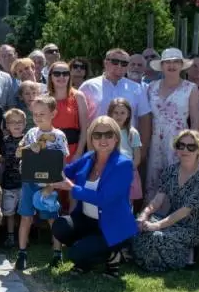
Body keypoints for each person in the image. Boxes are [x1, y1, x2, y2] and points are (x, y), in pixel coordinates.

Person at [50, 116, 138, 277]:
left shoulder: (124, 164)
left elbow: (104, 198)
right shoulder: (88, 157)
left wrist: (73, 188)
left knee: (75, 253)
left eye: (108, 134)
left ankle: (113, 253)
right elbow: (64, 172)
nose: (103, 139)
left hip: (112, 227)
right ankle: (88, 255)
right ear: (91, 138)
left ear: (116, 138)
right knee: (60, 226)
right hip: (87, 220)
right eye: (97, 135)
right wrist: (36, 166)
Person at [132, 130, 199, 272]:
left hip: (190, 228)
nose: (185, 150)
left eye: (191, 147)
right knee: (137, 227)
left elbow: (184, 212)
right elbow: (157, 200)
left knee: (155, 237)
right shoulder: (170, 170)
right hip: (170, 220)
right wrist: (144, 215)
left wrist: (157, 225)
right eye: (181, 145)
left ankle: (182, 257)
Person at [13, 95, 69, 270]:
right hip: (29, 182)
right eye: (35, 114)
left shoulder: (59, 136)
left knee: (52, 217)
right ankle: (22, 253)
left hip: (48, 184)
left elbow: (62, 163)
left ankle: (57, 253)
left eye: (42, 113)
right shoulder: (31, 133)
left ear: (53, 113)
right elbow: (18, 153)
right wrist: (29, 148)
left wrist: (52, 185)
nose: (38, 117)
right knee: (26, 216)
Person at [144, 48, 199, 200]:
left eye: (176, 62)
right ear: (162, 66)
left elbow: (195, 121)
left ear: (182, 65)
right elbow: (146, 117)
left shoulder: (191, 88)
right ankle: (151, 212)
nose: (172, 65)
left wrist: (194, 147)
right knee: (153, 182)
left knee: (177, 180)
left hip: (180, 142)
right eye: (167, 62)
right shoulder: (151, 87)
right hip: (154, 141)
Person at [79, 48, 152, 155]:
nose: (119, 66)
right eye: (115, 62)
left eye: (124, 63)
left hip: (127, 150)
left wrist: (142, 152)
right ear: (105, 63)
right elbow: (79, 120)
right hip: (95, 148)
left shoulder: (137, 88)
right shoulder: (88, 86)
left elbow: (144, 120)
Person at [47, 61, 88, 162]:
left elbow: (84, 130)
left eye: (65, 73)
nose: (61, 77)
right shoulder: (44, 99)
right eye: (57, 73)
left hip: (73, 151)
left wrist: (78, 154)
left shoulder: (78, 96)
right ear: (51, 76)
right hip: (49, 150)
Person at [0, 108, 26, 248]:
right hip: (9, 183)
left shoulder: (28, 140)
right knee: (9, 212)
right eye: (12, 122)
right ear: (7, 125)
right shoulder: (4, 141)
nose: (16, 125)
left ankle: (25, 236)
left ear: (25, 124)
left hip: (24, 183)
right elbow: (2, 156)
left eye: (19, 122)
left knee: (24, 211)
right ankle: (10, 236)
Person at [107, 98, 142, 202]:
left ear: (128, 114)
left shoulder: (132, 133)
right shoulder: (106, 132)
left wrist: (127, 169)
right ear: (110, 113)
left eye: (123, 113)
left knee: (127, 202)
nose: (119, 116)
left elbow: (137, 158)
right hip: (110, 172)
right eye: (116, 112)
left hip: (127, 172)